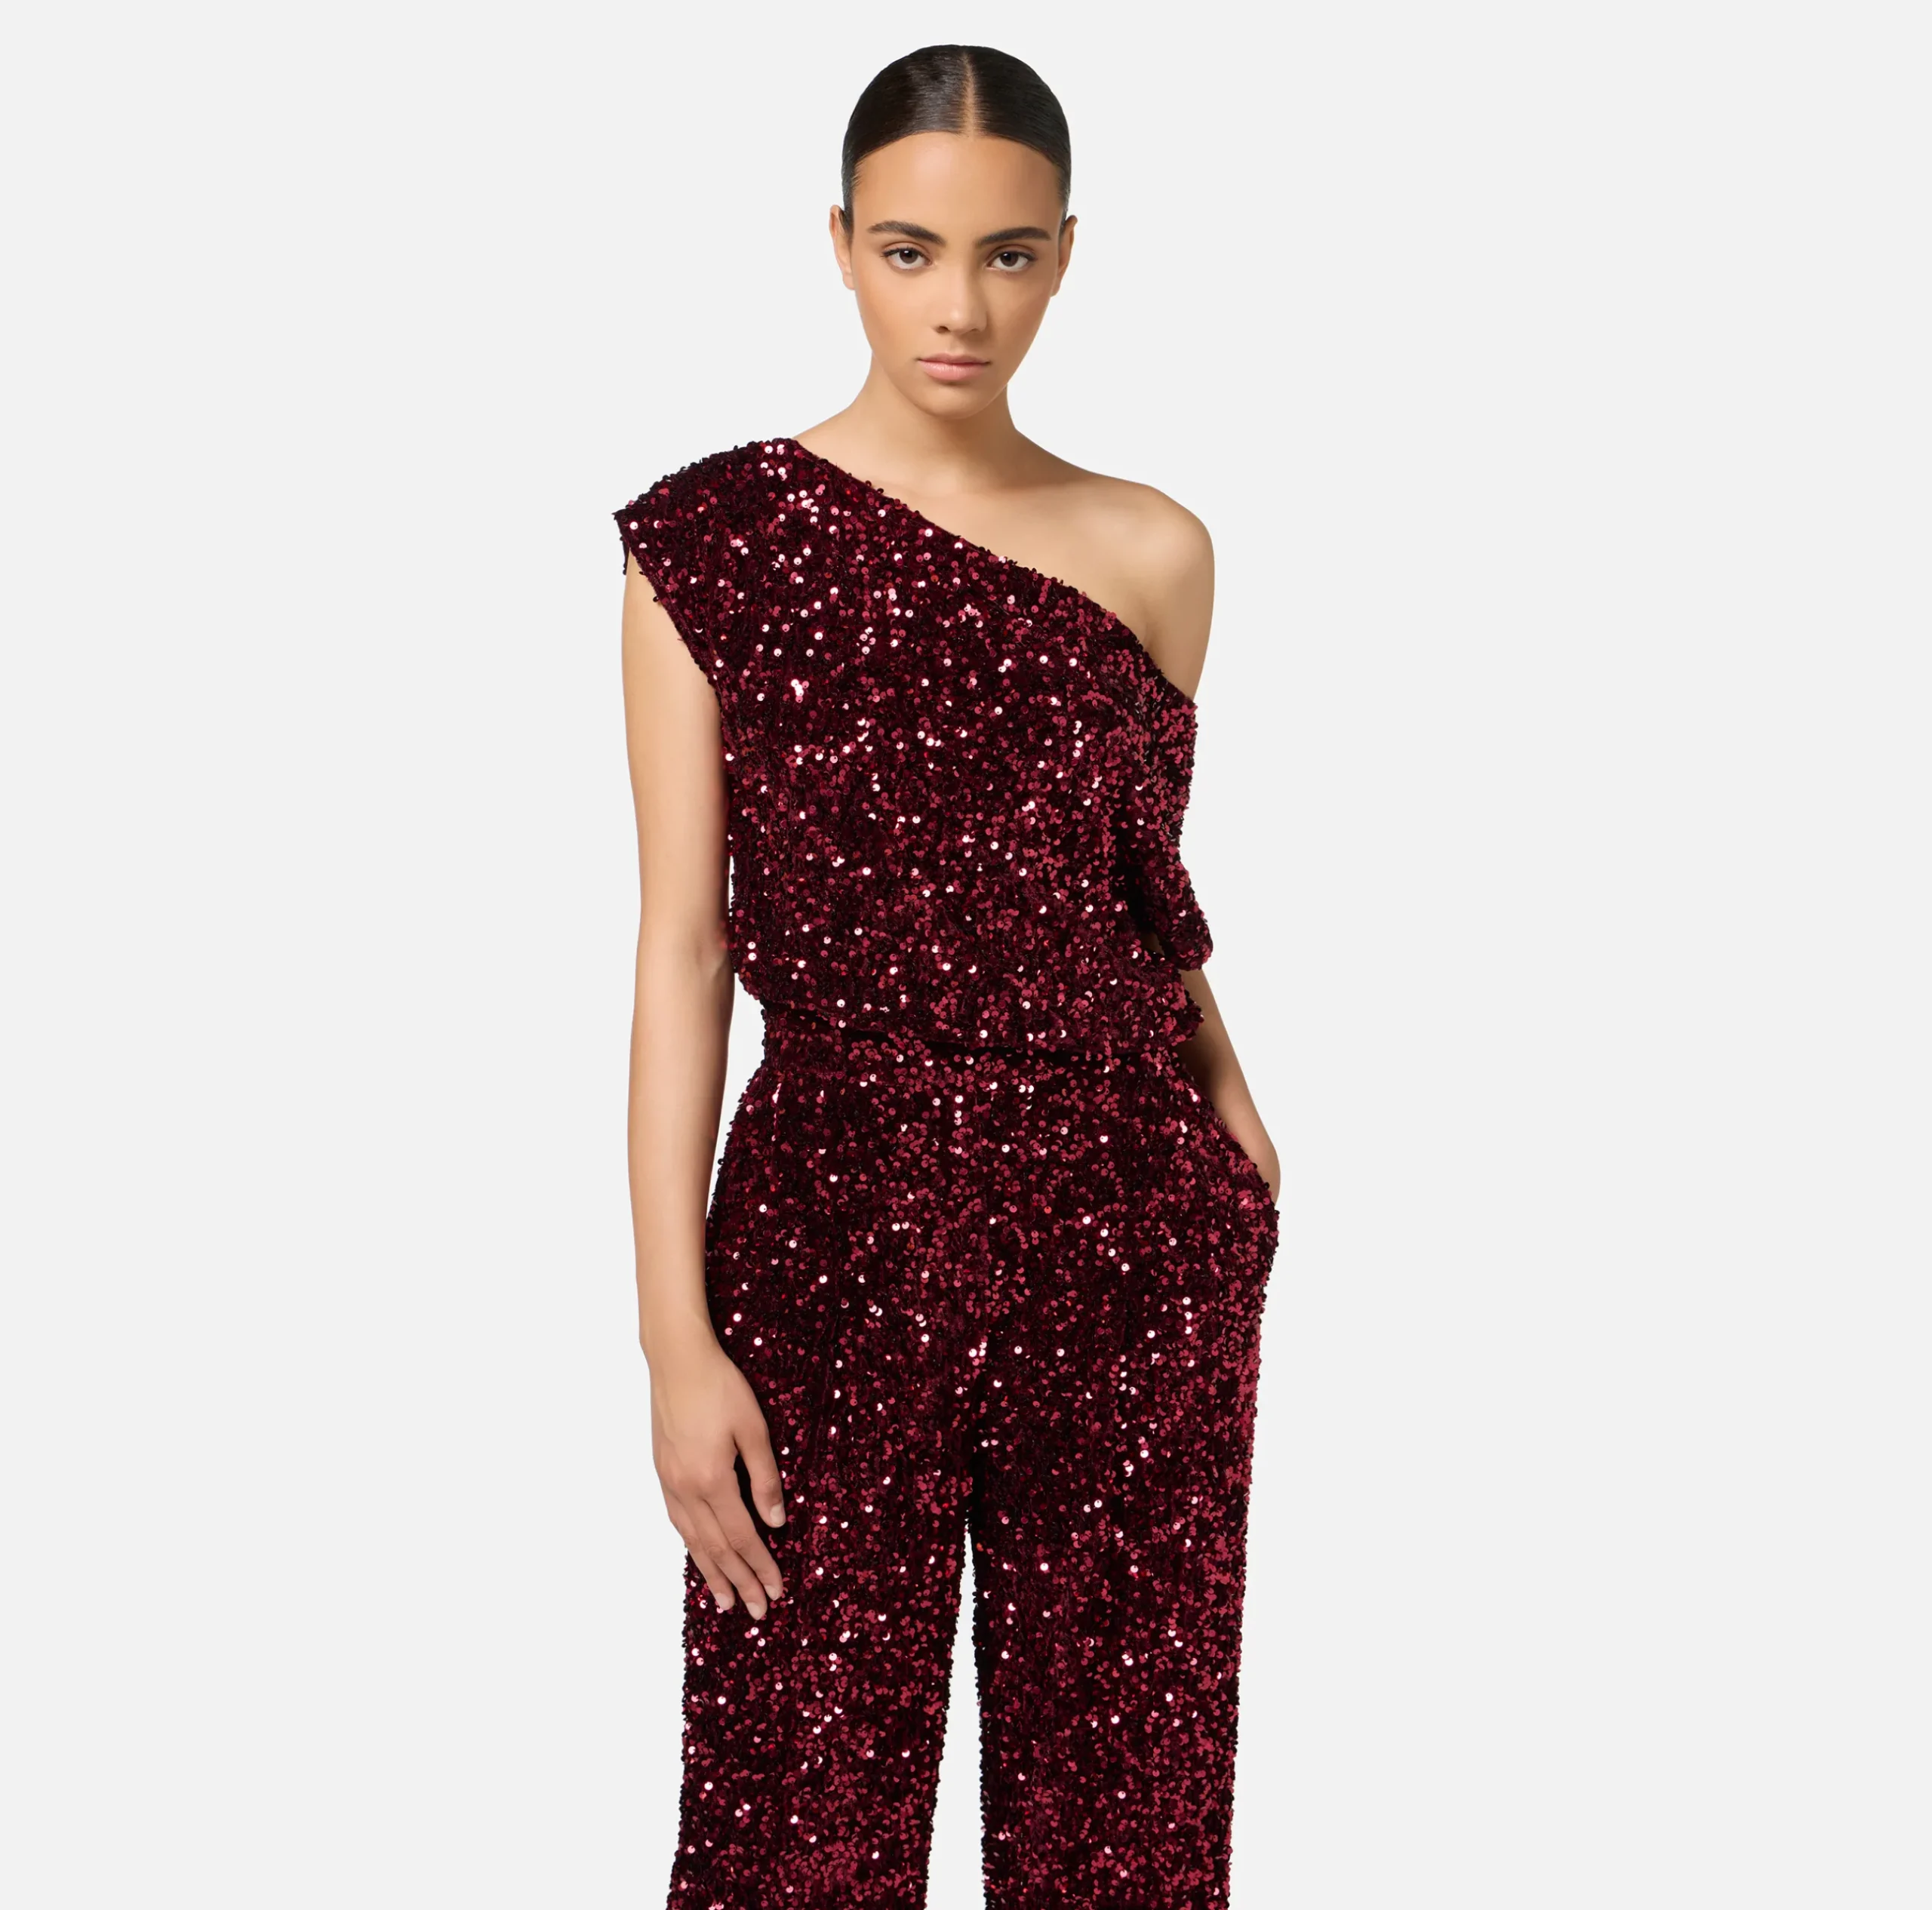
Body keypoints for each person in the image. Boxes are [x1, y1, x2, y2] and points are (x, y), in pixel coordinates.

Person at [614, 42, 1281, 1910]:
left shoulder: (1153, 548)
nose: (959, 308)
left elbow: (1129, 889)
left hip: (1127, 1219)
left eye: (1006, 255)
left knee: (1124, 1826)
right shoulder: (711, 548)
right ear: (839, 243)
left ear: (1063, 255)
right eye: (910, 252)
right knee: (793, 1828)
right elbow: (682, 951)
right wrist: (673, 1337)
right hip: (829, 1214)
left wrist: (1232, 1119)